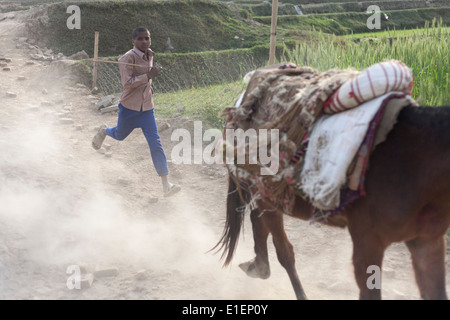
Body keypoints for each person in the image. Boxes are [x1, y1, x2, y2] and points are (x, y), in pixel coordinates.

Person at [92, 27, 180, 197]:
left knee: (155, 143)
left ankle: (166, 185)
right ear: (133, 41)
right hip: (129, 108)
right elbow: (127, 83)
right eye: (140, 39)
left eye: (147, 38)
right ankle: (104, 131)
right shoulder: (127, 58)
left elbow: (147, 79)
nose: (145, 42)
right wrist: (148, 76)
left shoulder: (150, 55)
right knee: (119, 135)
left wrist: (150, 81)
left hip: (147, 109)